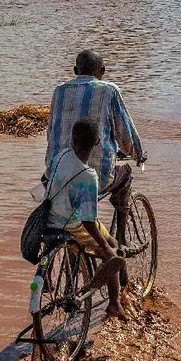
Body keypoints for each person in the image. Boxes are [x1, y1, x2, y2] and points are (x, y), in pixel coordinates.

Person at [45, 50, 147, 239]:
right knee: (125, 175)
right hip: (95, 176)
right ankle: (122, 240)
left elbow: (51, 132)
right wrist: (138, 155)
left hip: (55, 175)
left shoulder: (59, 91)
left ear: (76, 70)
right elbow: (125, 135)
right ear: (103, 70)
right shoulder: (109, 90)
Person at [44, 120, 127, 319]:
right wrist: (105, 247)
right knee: (113, 247)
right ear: (97, 142)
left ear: (73, 140)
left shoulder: (61, 155)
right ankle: (114, 303)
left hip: (49, 218)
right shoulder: (89, 176)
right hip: (71, 225)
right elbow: (88, 220)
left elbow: (46, 178)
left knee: (105, 243)